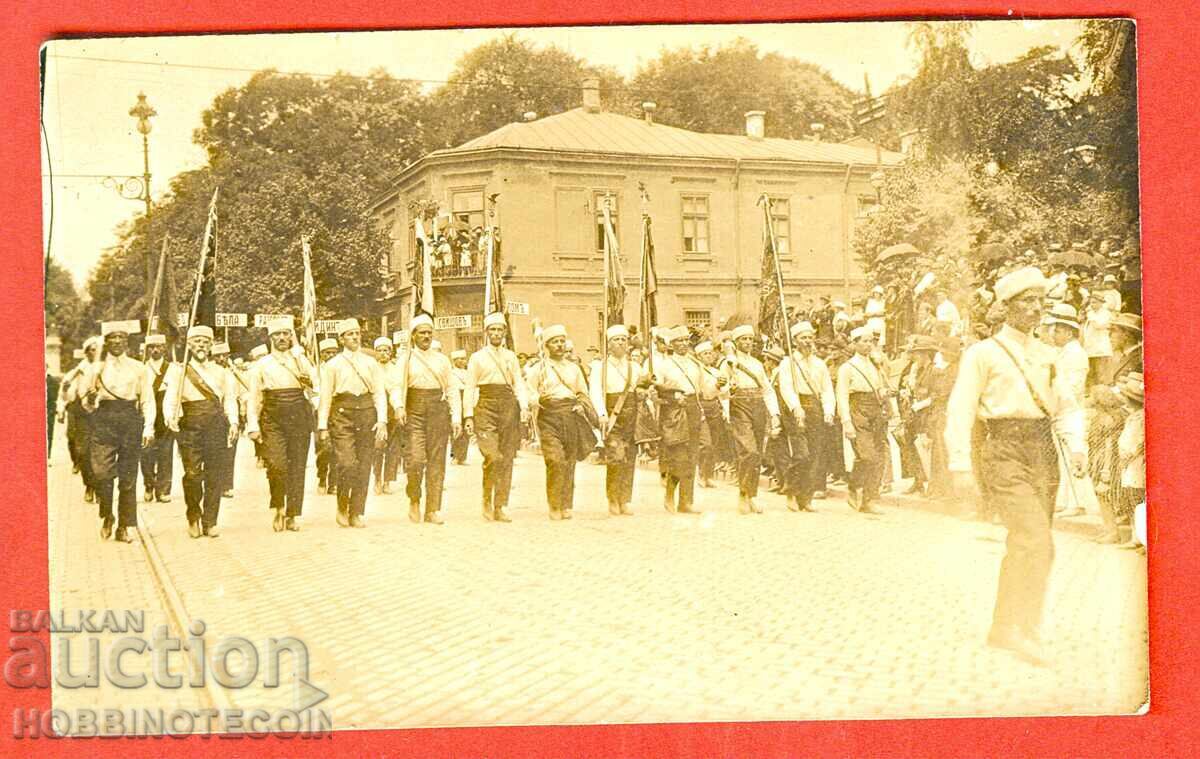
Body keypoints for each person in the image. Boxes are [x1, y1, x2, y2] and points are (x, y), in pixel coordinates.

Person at [945, 266, 1086, 666]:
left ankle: (1008, 626)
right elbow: (961, 408)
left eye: (1041, 301)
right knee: (1034, 538)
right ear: (1006, 307)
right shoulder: (983, 353)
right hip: (1003, 448)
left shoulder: (1048, 355)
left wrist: (1076, 447)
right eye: (1027, 301)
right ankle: (1018, 628)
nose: (1036, 309)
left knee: (1030, 542)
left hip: (1042, 449)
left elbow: (1066, 405)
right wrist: (959, 464)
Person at [162, 326, 239, 539]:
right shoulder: (179, 371)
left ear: (211, 345)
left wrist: (233, 422)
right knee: (193, 475)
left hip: (216, 424)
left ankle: (210, 521)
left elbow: (230, 400)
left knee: (215, 474)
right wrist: (170, 416)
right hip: (190, 425)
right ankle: (193, 515)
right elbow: (171, 397)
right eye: (196, 341)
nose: (201, 346)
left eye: (205, 342)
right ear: (189, 345)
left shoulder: (222, 372)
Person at [82, 320, 156, 543]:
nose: (116, 341)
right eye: (112, 338)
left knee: (128, 478)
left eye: (121, 337)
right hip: (104, 421)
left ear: (127, 341)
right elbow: (86, 403)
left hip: (129, 421)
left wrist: (149, 427)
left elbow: (148, 400)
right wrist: (91, 399)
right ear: (106, 341)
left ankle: (124, 525)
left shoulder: (138, 368)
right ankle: (107, 514)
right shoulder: (96, 369)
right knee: (102, 474)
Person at [246, 317, 319, 533]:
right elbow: (255, 396)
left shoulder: (302, 361)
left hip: (298, 415)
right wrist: (253, 425)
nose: (282, 338)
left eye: (286, 334)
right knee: (277, 465)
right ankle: (278, 505)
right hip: (273, 417)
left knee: (297, 466)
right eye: (277, 335)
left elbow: (316, 389)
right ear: (270, 338)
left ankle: (293, 514)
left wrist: (312, 395)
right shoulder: (262, 364)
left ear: (291, 337)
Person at [392, 314, 462, 525]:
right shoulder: (405, 360)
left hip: (438, 410)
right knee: (416, 459)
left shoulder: (442, 360)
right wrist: (399, 406)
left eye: (429, 333)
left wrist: (456, 417)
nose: (426, 336)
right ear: (413, 336)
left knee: (437, 462)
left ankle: (433, 509)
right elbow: (396, 386)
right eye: (422, 333)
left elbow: (451, 389)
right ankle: (414, 499)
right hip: (414, 409)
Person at [318, 319, 388, 529]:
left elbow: (379, 393)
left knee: (364, 464)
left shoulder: (371, 363)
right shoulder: (333, 365)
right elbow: (326, 397)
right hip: (342, 415)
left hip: (366, 413)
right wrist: (322, 425)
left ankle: (357, 511)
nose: (355, 338)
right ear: (341, 339)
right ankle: (342, 505)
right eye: (350, 334)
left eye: (357, 333)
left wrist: (382, 420)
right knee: (347, 463)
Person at [525, 324, 595, 520]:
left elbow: (582, 391)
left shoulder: (574, 368)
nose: (559, 345)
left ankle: (566, 504)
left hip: (571, 415)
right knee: (555, 460)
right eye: (555, 342)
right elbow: (529, 391)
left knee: (569, 461)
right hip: (549, 416)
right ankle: (554, 504)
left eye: (562, 341)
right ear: (546, 345)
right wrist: (537, 400)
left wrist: (581, 404)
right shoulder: (538, 369)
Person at [463, 313, 528, 522]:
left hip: (508, 405)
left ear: (504, 332)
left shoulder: (510, 357)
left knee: (507, 456)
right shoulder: (477, 357)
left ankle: (500, 505)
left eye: (500, 330)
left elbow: (518, 382)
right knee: (493, 456)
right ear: (486, 332)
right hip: (486, 405)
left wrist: (524, 406)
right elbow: (470, 387)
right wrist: (468, 415)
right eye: (492, 330)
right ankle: (486, 497)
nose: (496, 333)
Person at [1040, 304, 1100, 519]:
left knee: (1075, 455)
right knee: (1062, 458)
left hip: (1071, 411)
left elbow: (1073, 387)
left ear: (1067, 331)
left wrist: (1054, 397)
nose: (1053, 334)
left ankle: (1079, 502)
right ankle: (1066, 500)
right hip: (1060, 411)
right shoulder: (1062, 352)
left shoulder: (1076, 354)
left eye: (1056, 330)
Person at [722, 325, 781, 514]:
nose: (747, 342)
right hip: (739, 406)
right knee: (749, 451)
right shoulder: (728, 362)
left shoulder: (757, 364)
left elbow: (767, 390)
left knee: (757, 454)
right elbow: (721, 389)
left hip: (757, 406)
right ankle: (742, 494)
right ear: (736, 342)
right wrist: (726, 405)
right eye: (743, 339)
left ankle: (751, 496)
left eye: (750, 339)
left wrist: (775, 414)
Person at [777, 321, 836, 512]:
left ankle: (806, 497)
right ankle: (791, 491)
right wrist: (795, 407)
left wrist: (828, 410)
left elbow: (827, 389)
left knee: (814, 455)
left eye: (810, 337)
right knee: (802, 454)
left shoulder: (819, 364)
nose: (808, 341)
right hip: (796, 409)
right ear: (795, 341)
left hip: (815, 408)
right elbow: (786, 387)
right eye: (803, 338)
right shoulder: (788, 364)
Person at [591, 324, 647, 516]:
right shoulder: (601, 367)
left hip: (632, 414)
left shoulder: (635, 367)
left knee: (629, 457)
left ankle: (624, 500)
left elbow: (643, 387)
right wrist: (601, 413)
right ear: (608, 344)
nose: (621, 343)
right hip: (612, 413)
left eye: (624, 339)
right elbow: (596, 392)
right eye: (617, 339)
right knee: (616, 456)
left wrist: (646, 388)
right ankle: (613, 498)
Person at [836, 326, 889, 514]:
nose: (868, 345)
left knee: (879, 455)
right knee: (867, 455)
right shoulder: (847, 368)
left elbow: (880, 388)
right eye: (864, 341)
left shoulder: (876, 365)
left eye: (870, 341)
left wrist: (884, 393)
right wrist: (846, 422)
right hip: (857, 410)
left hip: (876, 411)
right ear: (854, 343)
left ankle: (869, 500)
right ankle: (854, 484)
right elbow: (841, 396)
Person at [59, 336, 101, 502]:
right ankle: (89, 485)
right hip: (82, 415)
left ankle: (99, 487)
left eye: (97, 349)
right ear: (86, 352)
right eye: (92, 349)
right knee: (83, 452)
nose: (95, 352)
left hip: (99, 414)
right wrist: (66, 390)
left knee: (99, 452)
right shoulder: (76, 371)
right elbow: (65, 395)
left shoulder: (103, 368)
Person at [139, 333, 175, 503]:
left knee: (166, 452)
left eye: (158, 346)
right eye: (151, 347)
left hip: (165, 411)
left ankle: (163, 489)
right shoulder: (141, 369)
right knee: (146, 452)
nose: (155, 350)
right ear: (147, 350)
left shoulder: (173, 369)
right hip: (146, 413)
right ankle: (148, 483)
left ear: (164, 348)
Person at [695, 341, 731, 488]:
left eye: (710, 353)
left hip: (714, 407)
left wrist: (725, 409)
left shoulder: (717, 372)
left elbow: (724, 394)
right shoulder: (697, 372)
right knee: (705, 443)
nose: (709, 356)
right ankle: (701, 474)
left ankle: (708, 475)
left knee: (715, 442)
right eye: (705, 354)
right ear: (699, 356)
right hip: (701, 405)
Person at [370, 336, 397, 494]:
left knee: (393, 449)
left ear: (390, 352)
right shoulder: (371, 368)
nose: (382, 353)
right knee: (378, 447)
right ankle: (377, 479)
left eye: (385, 350)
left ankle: (388, 480)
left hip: (393, 411)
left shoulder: (396, 368)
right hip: (376, 411)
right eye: (379, 351)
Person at [314, 338, 340, 494]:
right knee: (324, 449)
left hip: (338, 412)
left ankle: (334, 483)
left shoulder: (342, 367)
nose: (330, 355)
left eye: (333, 352)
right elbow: (312, 391)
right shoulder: (316, 371)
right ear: (321, 354)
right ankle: (322, 476)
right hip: (320, 412)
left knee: (338, 448)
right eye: (327, 352)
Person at [1080, 291, 1113, 384]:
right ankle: (1091, 388)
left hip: (1101, 344)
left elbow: (1101, 326)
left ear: (1101, 303)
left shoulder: (1105, 313)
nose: (1092, 305)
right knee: (1091, 368)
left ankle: (1101, 387)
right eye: (1091, 303)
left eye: (1094, 302)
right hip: (1091, 344)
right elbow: (1093, 327)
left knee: (1100, 369)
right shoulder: (1091, 313)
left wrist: (1091, 317)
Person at [449, 349, 471, 465]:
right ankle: (454, 455)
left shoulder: (468, 373)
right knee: (456, 428)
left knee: (466, 429)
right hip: (455, 398)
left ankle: (463, 456)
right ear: (454, 361)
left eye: (464, 359)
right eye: (460, 359)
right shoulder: (451, 373)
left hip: (467, 400)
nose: (463, 361)